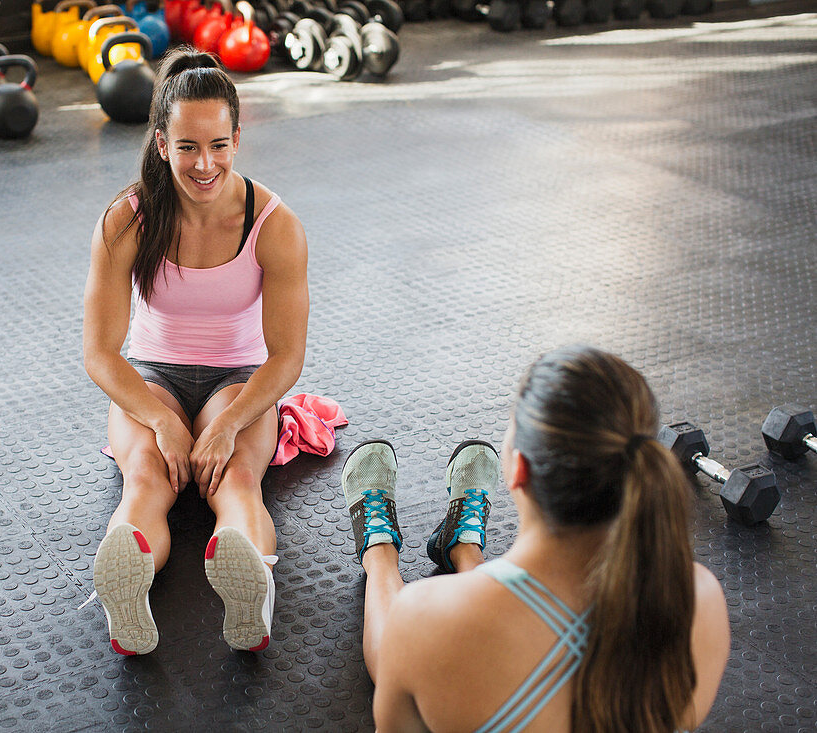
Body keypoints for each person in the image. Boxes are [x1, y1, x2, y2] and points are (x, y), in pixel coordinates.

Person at [341, 346, 731, 732]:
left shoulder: (421, 616)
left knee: (407, 641)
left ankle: (380, 554)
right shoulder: (701, 599)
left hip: (431, 636)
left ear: (519, 470)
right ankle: (464, 551)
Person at [81, 47, 308, 656]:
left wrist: (230, 422)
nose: (204, 164)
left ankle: (249, 586)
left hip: (240, 380)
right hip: (151, 377)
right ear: (161, 144)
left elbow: (286, 355)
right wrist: (159, 418)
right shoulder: (127, 219)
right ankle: (124, 591)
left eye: (217, 145)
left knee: (235, 481)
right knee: (146, 477)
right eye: (186, 147)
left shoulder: (273, 223)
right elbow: (101, 354)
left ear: (238, 138)